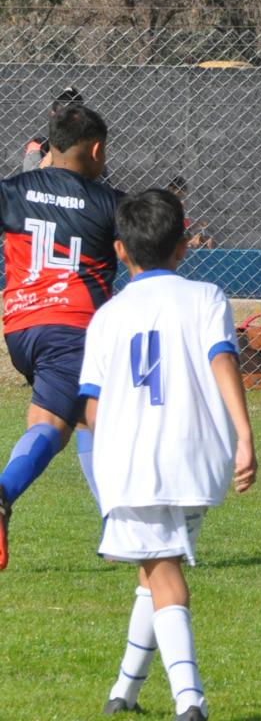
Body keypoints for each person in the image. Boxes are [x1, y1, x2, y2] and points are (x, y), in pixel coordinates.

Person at [79, 188, 256, 719]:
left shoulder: (107, 315)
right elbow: (223, 361)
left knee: (163, 571)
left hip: (136, 461)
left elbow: (91, 405)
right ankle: (124, 692)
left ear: (120, 251)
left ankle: (189, 702)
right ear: (183, 246)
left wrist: (109, 453)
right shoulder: (206, 296)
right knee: (154, 569)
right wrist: (244, 435)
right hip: (197, 458)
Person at [0, 103, 122, 571]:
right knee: (58, 425)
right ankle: (5, 494)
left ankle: (115, 529)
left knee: (83, 419)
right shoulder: (108, 202)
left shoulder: (12, 191)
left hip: (21, 329)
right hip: (72, 330)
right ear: (95, 149)